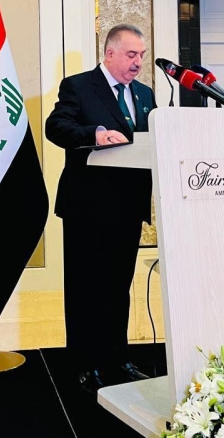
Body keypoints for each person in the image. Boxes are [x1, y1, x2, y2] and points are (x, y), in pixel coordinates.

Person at [45, 23, 157, 394]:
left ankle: (117, 359)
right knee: (86, 288)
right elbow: (56, 126)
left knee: (117, 288)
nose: (138, 62)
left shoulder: (144, 94)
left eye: (141, 55)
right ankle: (85, 364)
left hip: (127, 207)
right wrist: (94, 134)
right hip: (88, 208)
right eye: (131, 54)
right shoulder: (79, 86)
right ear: (109, 53)